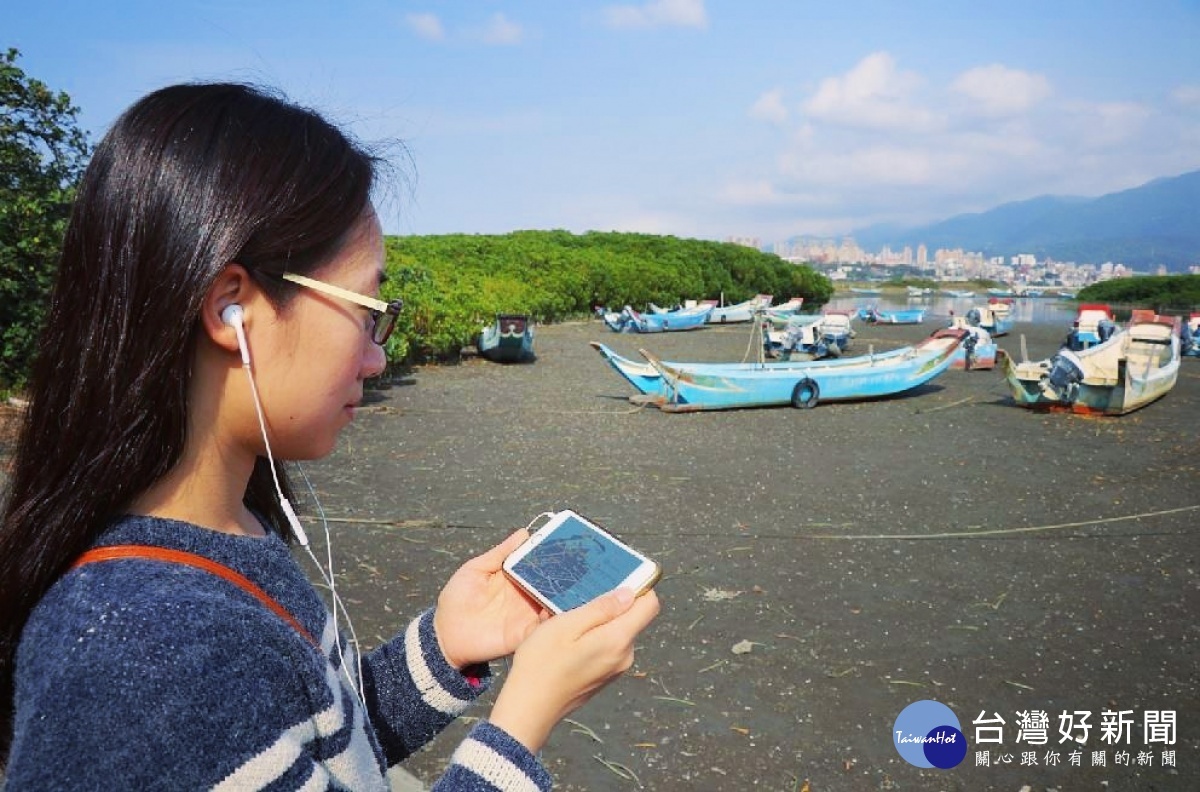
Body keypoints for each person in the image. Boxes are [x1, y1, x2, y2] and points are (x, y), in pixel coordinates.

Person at [0, 82, 659, 789]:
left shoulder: (224, 532)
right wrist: (523, 722)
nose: (377, 356)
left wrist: (444, 645)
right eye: (368, 308)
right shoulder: (146, 651)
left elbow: (298, 749)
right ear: (232, 309)